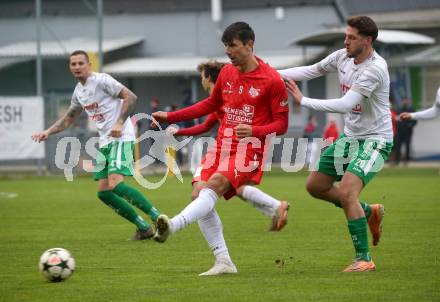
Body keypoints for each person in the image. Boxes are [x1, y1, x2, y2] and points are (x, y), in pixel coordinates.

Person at [152, 22, 289, 275]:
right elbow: (208, 105)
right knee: (199, 195)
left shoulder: (272, 80)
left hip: (249, 150)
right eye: (225, 46)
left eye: (233, 46)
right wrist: (171, 117)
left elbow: (281, 124)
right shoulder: (227, 72)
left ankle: (173, 225)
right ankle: (223, 261)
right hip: (222, 147)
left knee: (213, 185)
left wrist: (255, 131)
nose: (228, 51)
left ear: (250, 44)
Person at [279, 16, 392, 272]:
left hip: (376, 140)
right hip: (351, 137)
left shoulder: (375, 69)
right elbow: (311, 70)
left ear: (368, 40)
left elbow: (344, 105)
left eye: (352, 37)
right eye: (346, 35)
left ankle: (364, 259)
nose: (346, 41)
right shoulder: (342, 56)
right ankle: (368, 212)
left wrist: (303, 100)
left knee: (347, 192)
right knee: (315, 186)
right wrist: (265, 75)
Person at [31, 50, 162, 241]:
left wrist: (118, 123)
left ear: (88, 65)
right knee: (104, 193)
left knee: (116, 184)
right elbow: (69, 118)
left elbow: (131, 97)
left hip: (121, 137)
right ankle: (143, 228)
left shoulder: (102, 80)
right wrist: (47, 132)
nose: (76, 67)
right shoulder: (79, 92)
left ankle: (159, 219)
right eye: (73, 64)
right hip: (105, 142)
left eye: (80, 63)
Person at [170, 60, 289, 231]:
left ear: (208, 78)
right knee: (231, 188)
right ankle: (275, 209)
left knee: (217, 189)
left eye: (202, 76)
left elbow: (205, 125)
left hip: (244, 148)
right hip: (228, 149)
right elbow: (206, 125)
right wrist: (179, 132)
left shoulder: (227, 97)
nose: (201, 80)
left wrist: (178, 129)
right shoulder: (221, 97)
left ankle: (277, 206)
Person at [394, 99, 417, 165]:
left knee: (407, 146)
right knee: (398, 146)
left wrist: (410, 125)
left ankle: (406, 160)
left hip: (408, 131)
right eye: (403, 101)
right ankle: (397, 160)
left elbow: (415, 120)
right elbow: (396, 119)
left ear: (408, 102)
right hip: (399, 131)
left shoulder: (411, 110)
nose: (405, 102)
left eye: (406, 101)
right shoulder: (399, 110)